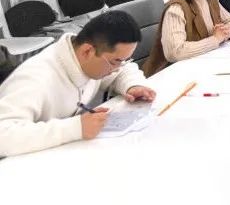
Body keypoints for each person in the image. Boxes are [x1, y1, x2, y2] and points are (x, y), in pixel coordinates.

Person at [0, 11, 155, 157]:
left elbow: (123, 70)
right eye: (116, 61)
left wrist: (133, 85)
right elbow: (4, 136)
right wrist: (75, 128)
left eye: (124, 60)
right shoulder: (35, 78)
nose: (117, 68)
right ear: (87, 51)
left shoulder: (87, 57)